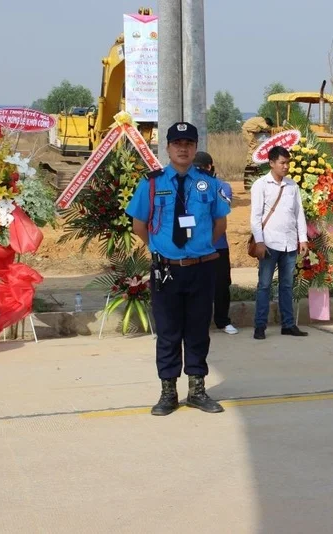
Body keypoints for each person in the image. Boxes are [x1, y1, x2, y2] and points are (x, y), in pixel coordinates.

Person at [125, 122, 231, 416]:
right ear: (168, 147)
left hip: (201, 269)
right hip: (166, 271)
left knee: (198, 330)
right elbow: (139, 225)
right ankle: (168, 392)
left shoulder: (209, 185)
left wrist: (197, 249)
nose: (182, 148)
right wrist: (161, 249)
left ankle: (197, 389)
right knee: (169, 331)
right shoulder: (152, 184)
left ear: (195, 147)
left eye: (188, 143)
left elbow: (220, 222)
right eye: (177, 143)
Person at [249, 145, 308, 340]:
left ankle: (288, 325)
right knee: (264, 285)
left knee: (286, 286)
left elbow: (299, 213)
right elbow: (255, 217)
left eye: (288, 162)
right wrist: (259, 242)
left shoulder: (292, 185)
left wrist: (303, 239)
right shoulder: (260, 185)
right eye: (282, 163)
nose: (286, 166)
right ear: (271, 163)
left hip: (289, 244)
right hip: (269, 243)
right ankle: (260, 326)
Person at [193, 151, 238, 335]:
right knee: (197, 287)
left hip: (218, 245)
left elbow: (220, 210)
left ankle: (223, 321)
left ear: (209, 167)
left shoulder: (223, 186)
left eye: (200, 168)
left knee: (221, 285)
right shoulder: (188, 185)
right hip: (195, 247)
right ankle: (197, 323)